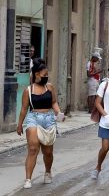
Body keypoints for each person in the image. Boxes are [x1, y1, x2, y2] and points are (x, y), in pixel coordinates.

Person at [16, 58, 65, 189]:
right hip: (33, 118)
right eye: (44, 75)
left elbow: (54, 102)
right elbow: (23, 109)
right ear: (37, 74)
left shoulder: (50, 87)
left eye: (47, 75)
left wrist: (58, 113)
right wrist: (20, 125)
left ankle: (48, 171)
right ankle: (28, 179)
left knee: (48, 152)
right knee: (33, 149)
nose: (46, 77)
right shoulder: (28, 90)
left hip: (49, 118)